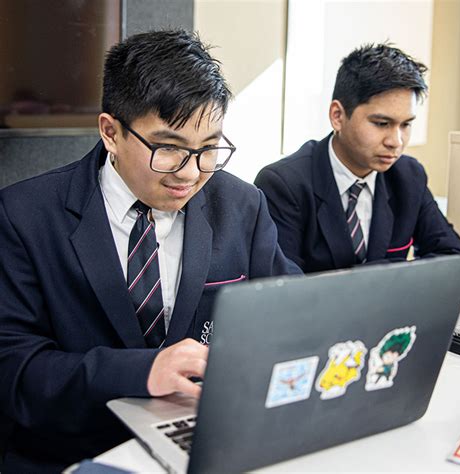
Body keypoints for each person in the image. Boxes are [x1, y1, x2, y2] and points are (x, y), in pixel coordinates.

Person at [0, 30, 300, 473]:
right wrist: (143, 371)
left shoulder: (241, 205)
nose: (192, 173)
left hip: (207, 441)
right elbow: (15, 371)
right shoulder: (25, 215)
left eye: (209, 148)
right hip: (75, 452)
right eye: (169, 149)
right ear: (110, 132)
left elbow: (290, 310)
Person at [254, 43, 460, 304]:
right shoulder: (284, 183)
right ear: (337, 116)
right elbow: (283, 291)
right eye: (382, 124)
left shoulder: (408, 176)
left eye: (406, 125)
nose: (396, 141)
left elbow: (456, 257)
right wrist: (401, 280)